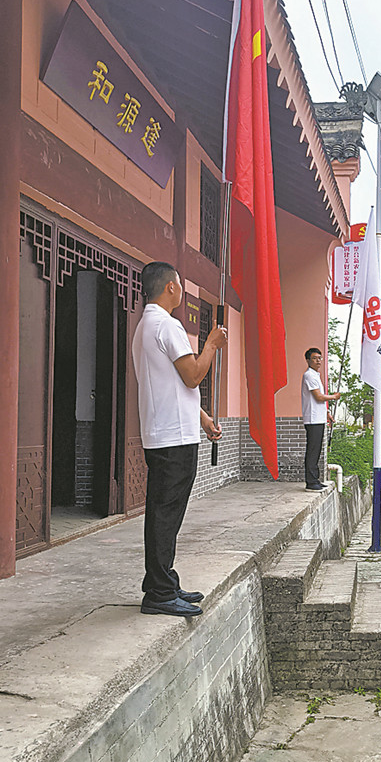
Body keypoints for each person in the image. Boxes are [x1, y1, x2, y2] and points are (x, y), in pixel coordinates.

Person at [132, 262, 227, 618]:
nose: (182, 291)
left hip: (168, 430)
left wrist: (202, 419)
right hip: (172, 437)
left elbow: (169, 383)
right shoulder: (166, 325)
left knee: (164, 512)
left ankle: (164, 582)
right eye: (180, 285)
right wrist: (212, 345)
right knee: (165, 514)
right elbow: (192, 376)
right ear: (171, 287)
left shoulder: (147, 325)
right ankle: (158, 591)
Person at [301, 348, 340, 491]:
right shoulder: (309, 375)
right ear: (308, 360)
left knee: (316, 450)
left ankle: (315, 479)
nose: (318, 361)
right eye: (315, 358)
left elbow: (320, 400)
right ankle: (311, 482)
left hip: (319, 417)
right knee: (312, 450)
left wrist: (327, 413)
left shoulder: (316, 375)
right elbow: (318, 396)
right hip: (312, 418)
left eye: (320, 358)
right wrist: (334, 397)